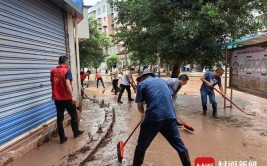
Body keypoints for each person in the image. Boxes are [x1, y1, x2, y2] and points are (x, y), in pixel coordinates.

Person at [133, 69, 191, 166]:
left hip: (153, 117)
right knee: (180, 146)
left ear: (142, 77)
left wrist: (143, 115)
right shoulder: (162, 81)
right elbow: (168, 96)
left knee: (141, 146)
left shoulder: (142, 84)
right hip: (170, 116)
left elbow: (140, 107)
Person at [50, 56, 84, 144]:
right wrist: (72, 96)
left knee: (59, 118)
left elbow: (52, 82)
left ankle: (62, 138)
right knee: (74, 116)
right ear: (66, 62)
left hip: (57, 99)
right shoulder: (67, 71)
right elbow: (67, 83)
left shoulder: (53, 71)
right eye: (68, 62)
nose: (69, 63)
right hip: (67, 98)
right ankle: (76, 133)